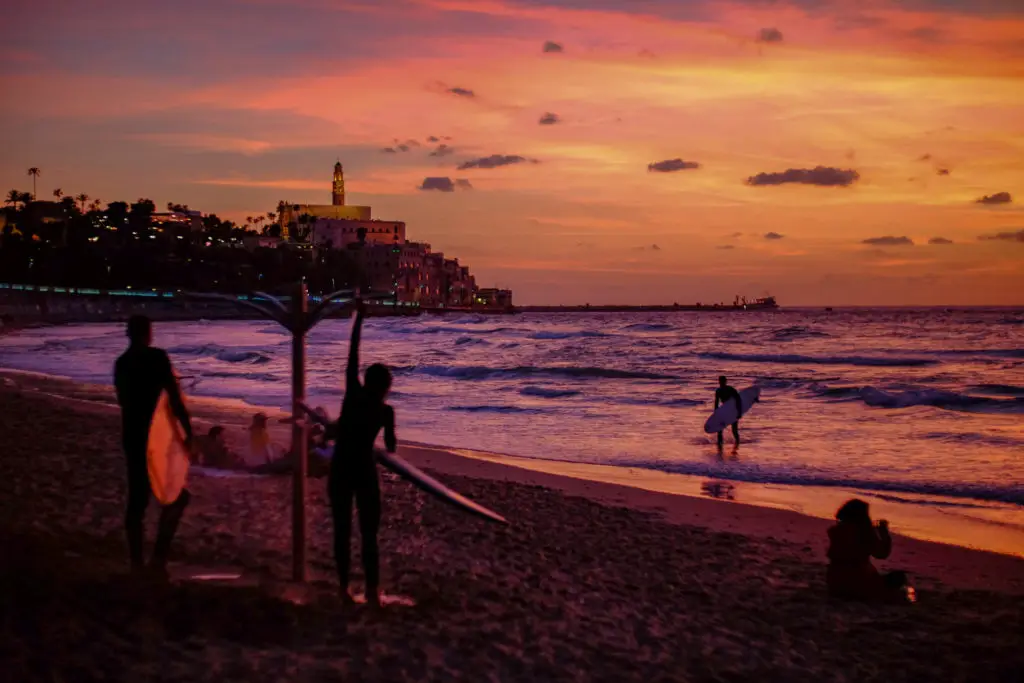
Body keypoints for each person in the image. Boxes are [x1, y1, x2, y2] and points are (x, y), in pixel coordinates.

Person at [113, 315, 193, 575]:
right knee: (177, 498)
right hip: (157, 439)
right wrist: (189, 433)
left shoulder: (122, 363)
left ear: (128, 333)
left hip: (132, 437)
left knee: (138, 501)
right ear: (148, 333)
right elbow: (174, 397)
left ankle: (137, 563)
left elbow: (124, 401)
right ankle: (158, 560)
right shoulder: (157, 357)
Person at [330, 298, 397, 606]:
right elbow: (392, 447)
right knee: (369, 534)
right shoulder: (386, 412)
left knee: (342, 529)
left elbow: (352, 356)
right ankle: (372, 591)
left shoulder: (353, 394)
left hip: (341, 467)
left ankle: (343, 588)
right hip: (365, 471)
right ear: (386, 387)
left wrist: (358, 319)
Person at [826, 499, 908, 602]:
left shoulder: (835, 531)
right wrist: (884, 534)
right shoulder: (864, 533)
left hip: (835, 582)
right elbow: (882, 554)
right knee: (899, 577)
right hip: (859, 582)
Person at [714, 375, 743, 446]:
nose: (721, 382)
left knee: (734, 430)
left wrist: (739, 412)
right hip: (724, 411)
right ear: (719, 381)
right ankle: (720, 444)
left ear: (725, 381)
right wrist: (716, 413)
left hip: (733, 411)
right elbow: (716, 402)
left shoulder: (731, 389)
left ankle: (737, 443)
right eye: (720, 381)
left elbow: (738, 400)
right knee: (720, 429)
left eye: (723, 381)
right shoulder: (718, 391)